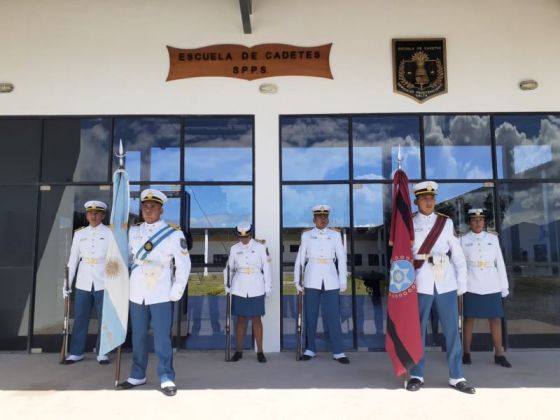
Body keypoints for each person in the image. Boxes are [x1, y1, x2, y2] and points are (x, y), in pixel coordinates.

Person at [117, 189, 191, 397]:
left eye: (153, 207)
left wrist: (176, 291)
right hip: (137, 290)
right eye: (145, 207)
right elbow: (127, 259)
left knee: (161, 338)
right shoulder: (133, 231)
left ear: (161, 209)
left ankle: (166, 376)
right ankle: (137, 374)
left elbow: (183, 265)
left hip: (160, 291)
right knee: (138, 336)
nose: (148, 210)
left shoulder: (173, 233)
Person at [406, 181, 475, 394]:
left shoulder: (445, 222)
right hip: (421, 281)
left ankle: (457, 376)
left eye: (432, 198)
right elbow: (403, 255)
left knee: (452, 330)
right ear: (416, 201)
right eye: (424, 198)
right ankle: (416, 374)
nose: (429, 202)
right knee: (417, 330)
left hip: (445, 280)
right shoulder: (409, 222)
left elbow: (457, 254)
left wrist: (462, 283)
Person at [293, 205, 349, 364]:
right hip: (312, 277)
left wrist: (343, 279)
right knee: (310, 315)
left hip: (331, 277)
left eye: (325, 216)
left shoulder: (335, 235)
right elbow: (300, 259)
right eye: (319, 217)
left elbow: (341, 259)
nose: (323, 219)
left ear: (328, 218)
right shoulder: (306, 235)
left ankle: (338, 351)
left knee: (333, 316)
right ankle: (310, 348)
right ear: (314, 219)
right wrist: (297, 279)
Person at [461, 209, 511, 368]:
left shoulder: (493, 238)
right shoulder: (462, 239)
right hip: (471, 283)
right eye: (474, 220)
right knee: (469, 319)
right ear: (469, 222)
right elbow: (460, 265)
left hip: (491, 283)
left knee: (495, 319)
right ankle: (466, 352)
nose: (477, 223)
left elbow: (500, 263)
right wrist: (460, 286)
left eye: (480, 220)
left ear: (484, 222)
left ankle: (499, 354)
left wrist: (504, 286)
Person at [63, 200, 111, 365]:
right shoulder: (79, 234)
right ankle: (76, 352)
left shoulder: (110, 233)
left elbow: (115, 260)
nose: (94, 216)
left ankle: (102, 352)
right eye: (90, 213)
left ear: (103, 215)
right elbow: (73, 260)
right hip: (83, 281)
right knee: (80, 317)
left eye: (97, 213)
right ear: (87, 215)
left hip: (104, 280)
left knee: (104, 318)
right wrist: (66, 284)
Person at [224, 222, 272, 363]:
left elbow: (267, 268)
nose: (243, 239)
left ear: (250, 234)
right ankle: (239, 351)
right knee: (240, 320)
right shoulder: (234, 249)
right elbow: (230, 268)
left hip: (256, 286)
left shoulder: (261, 247)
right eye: (240, 237)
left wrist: (267, 287)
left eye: (246, 236)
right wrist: (227, 285)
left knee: (257, 319)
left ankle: (260, 352)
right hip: (239, 286)